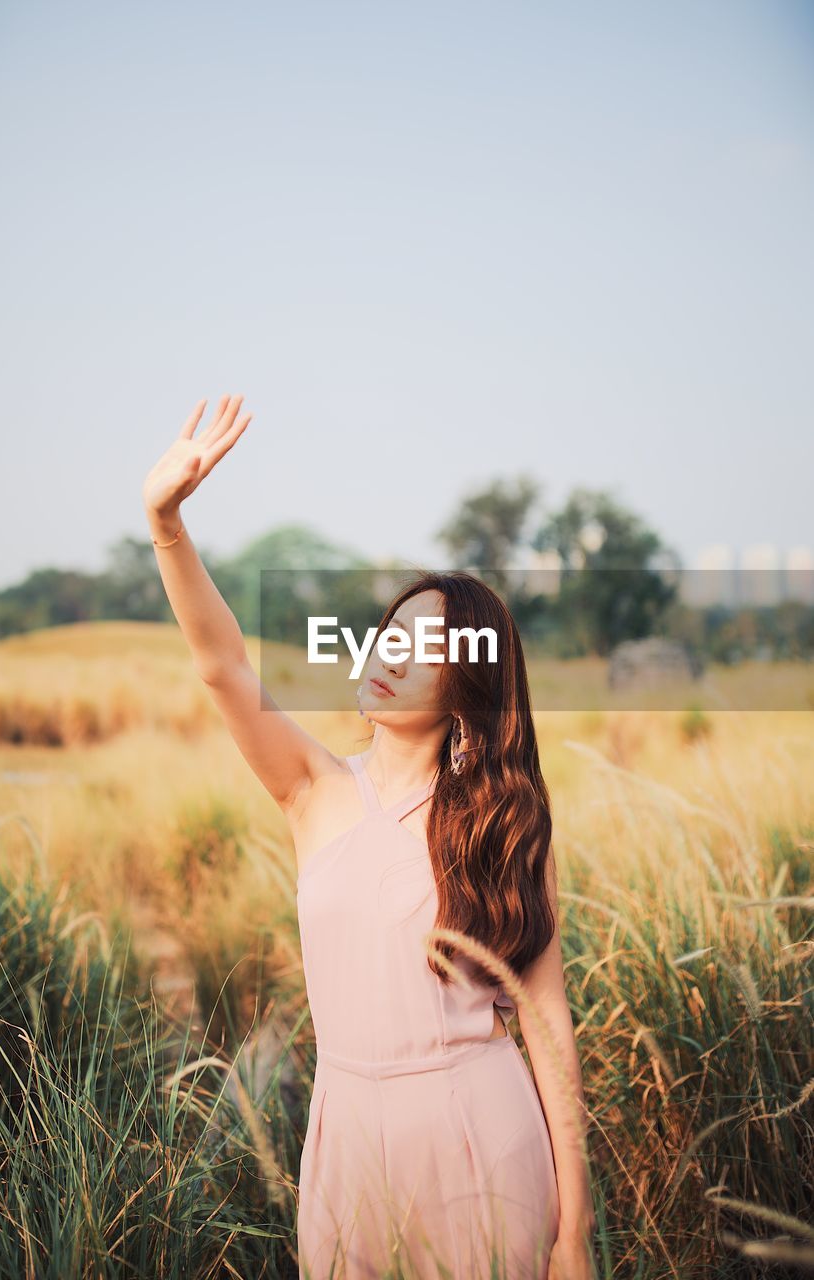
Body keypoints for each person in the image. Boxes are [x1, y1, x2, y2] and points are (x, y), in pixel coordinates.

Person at [143, 395, 598, 1280]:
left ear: (466, 683)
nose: (388, 655)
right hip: (345, 1133)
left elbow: (546, 1026)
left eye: (421, 647)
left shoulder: (503, 826)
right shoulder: (312, 790)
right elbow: (223, 665)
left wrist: (573, 1232)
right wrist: (167, 525)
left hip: (480, 1135)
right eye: (388, 633)